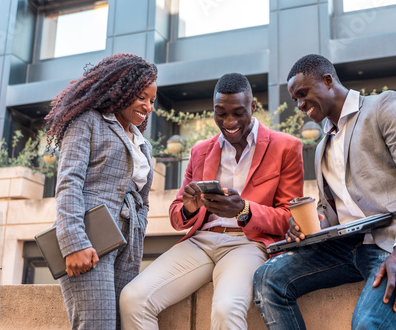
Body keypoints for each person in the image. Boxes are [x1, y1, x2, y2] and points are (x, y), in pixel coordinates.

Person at [253, 54, 396, 329]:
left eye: (303, 94)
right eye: (294, 99)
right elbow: (332, 211)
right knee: (268, 278)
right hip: (350, 248)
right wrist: (303, 226)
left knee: (366, 324)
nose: (299, 105)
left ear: (328, 80)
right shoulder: (323, 145)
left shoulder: (384, 106)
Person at [120, 73, 304, 329]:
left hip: (247, 244)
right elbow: (176, 215)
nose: (229, 122)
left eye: (238, 113)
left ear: (252, 107)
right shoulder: (200, 151)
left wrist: (244, 209)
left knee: (226, 309)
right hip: (200, 243)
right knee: (133, 298)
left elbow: (290, 218)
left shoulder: (286, 146)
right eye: (221, 113)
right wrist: (190, 207)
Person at [45, 53, 158, 330]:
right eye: (142, 97)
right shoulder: (89, 121)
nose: (148, 106)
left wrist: (139, 225)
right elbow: (69, 182)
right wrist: (74, 243)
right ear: (121, 90)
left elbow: (142, 199)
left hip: (127, 245)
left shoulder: (142, 142)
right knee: (96, 325)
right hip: (89, 239)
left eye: (152, 101)